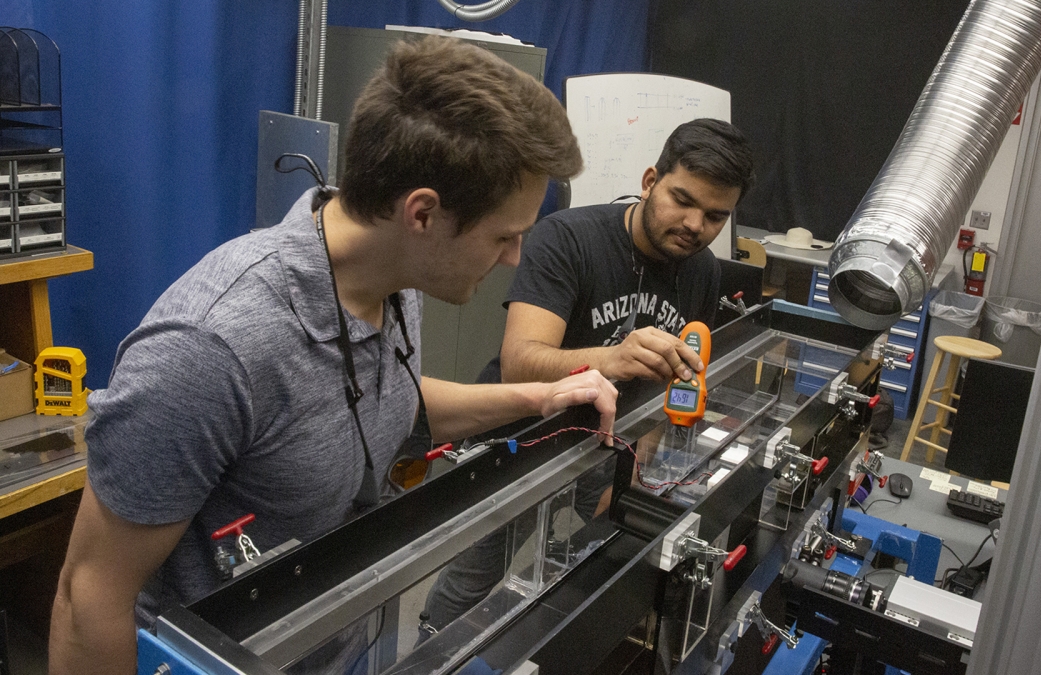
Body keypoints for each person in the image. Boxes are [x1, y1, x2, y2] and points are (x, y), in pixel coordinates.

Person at [48, 37, 618, 675]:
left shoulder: (397, 280)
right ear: (422, 214)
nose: (514, 258)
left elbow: (383, 406)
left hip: (340, 644)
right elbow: (89, 596)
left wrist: (538, 398)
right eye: (505, 236)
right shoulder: (211, 351)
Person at [420, 118, 755, 635]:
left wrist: (636, 469)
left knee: (586, 571)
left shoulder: (703, 270)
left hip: (609, 448)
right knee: (473, 577)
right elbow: (521, 361)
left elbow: (682, 378)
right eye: (682, 200)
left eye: (715, 215)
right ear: (649, 182)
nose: (694, 224)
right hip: (522, 439)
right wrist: (614, 358)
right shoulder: (569, 237)